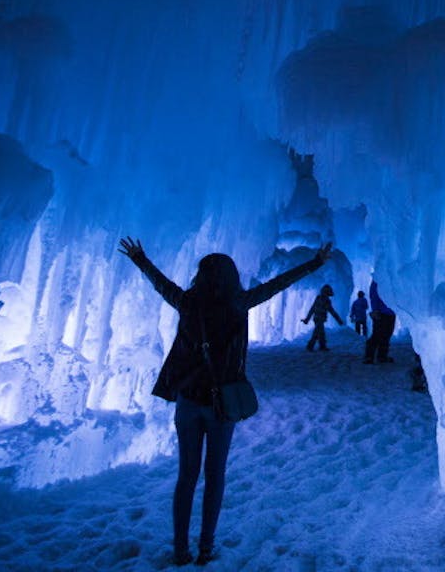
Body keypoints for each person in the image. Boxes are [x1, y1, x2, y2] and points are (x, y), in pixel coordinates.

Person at [119, 236, 331, 567]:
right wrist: (315, 263)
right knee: (215, 475)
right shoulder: (238, 303)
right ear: (231, 277)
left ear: (200, 276)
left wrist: (140, 259)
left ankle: (180, 549)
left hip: (188, 402)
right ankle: (205, 548)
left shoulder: (188, 303)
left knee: (186, 476)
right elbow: (278, 284)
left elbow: (161, 285)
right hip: (222, 403)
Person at [300, 283, 344, 351]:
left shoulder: (318, 298)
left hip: (317, 318)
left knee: (320, 332)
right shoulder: (326, 301)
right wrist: (339, 320)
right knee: (317, 333)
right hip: (320, 318)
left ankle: (321, 346)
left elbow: (312, 309)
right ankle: (312, 346)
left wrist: (307, 319)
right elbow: (332, 311)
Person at [362, 278, 396, 364]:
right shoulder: (378, 279)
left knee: (387, 335)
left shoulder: (390, 277)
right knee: (377, 334)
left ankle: (382, 356)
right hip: (380, 312)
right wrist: (375, 309)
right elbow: (373, 295)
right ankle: (369, 356)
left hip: (390, 312)